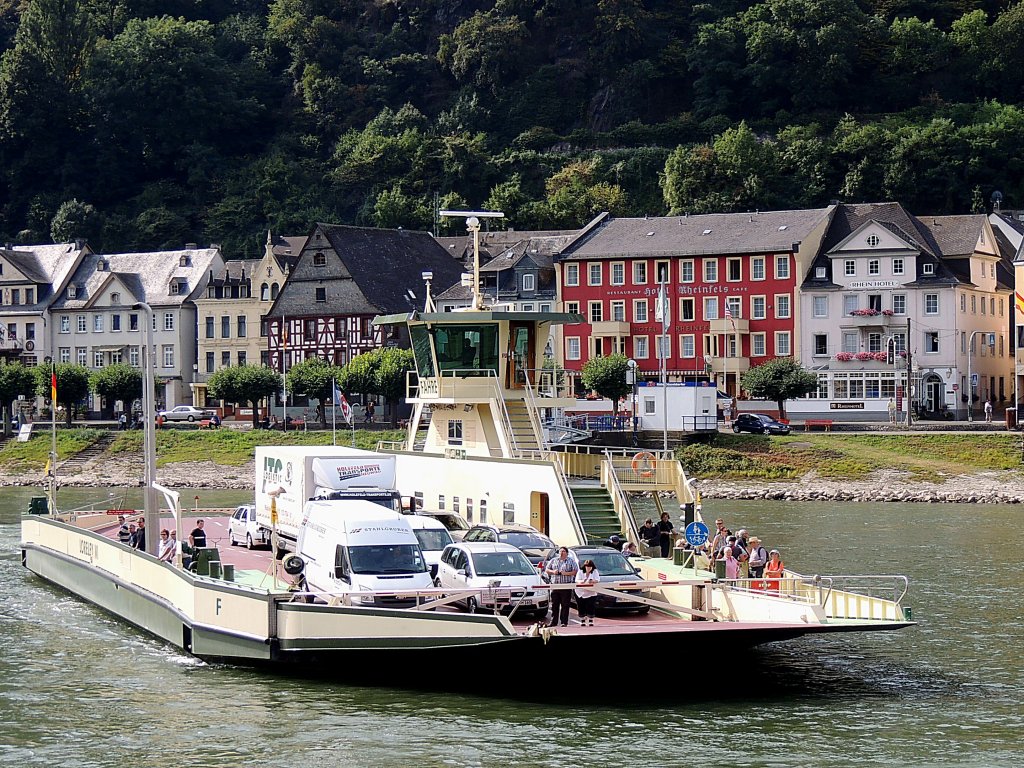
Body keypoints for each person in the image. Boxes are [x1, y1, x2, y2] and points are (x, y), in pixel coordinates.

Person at [545, 547, 578, 628]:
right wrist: (553, 572)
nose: (561, 553)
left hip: (566, 586)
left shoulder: (571, 561)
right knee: (554, 605)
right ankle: (553, 622)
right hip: (555, 586)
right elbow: (547, 570)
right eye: (560, 551)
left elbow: (575, 571)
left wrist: (566, 573)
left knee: (565, 605)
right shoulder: (553, 560)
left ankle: (564, 622)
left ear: (566, 553)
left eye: (563, 551)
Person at [574, 559, 600, 627]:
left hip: (591, 592)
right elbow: (577, 580)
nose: (588, 568)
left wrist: (592, 581)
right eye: (587, 566)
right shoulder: (580, 572)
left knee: (591, 606)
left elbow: (597, 580)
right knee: (581, 606)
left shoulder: (595, 571)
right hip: (581, 592)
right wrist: (583, 580)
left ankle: (591, 620)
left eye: (590, 566)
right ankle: (582, 620)